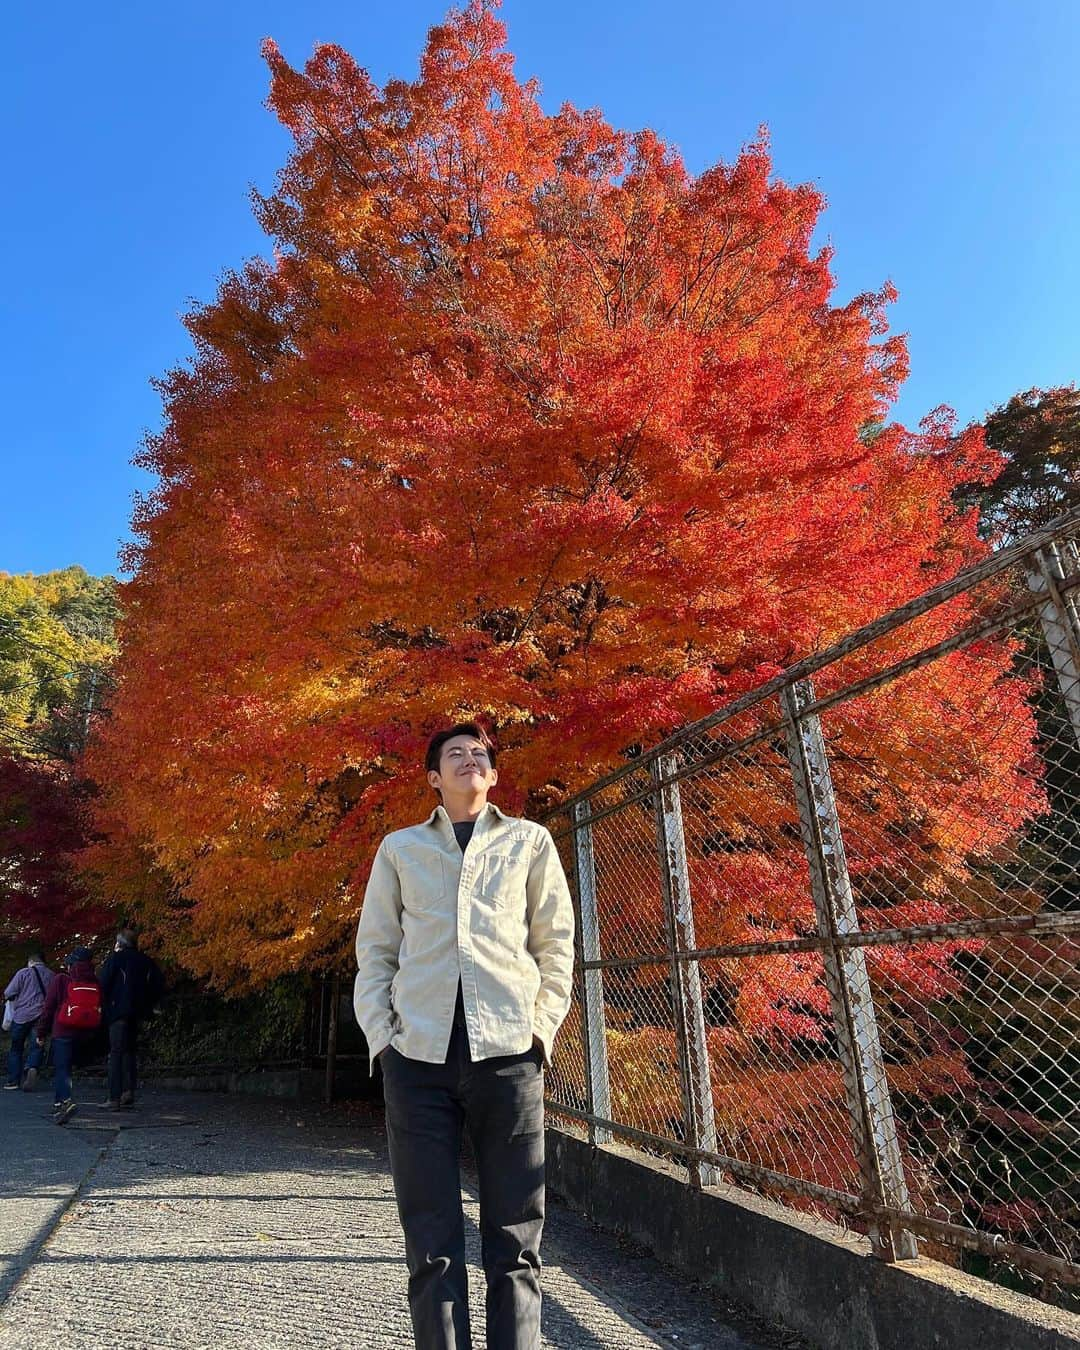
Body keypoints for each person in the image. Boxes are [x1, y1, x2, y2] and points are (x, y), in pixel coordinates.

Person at [354, 722, 575, 1350]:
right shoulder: (399, 849)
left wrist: (540, 1031)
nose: (470, 759)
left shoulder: (529, 843)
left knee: (516, 1239)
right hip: (417, 1056)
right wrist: (383, 1040)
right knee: (431, 1241)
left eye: (481, 754)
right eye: (456, 753)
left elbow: (555, 944)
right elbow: (376, 952)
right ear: (433, 777)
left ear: (494, 775)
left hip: (508, 1054)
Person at [97, 928, 164, 1110]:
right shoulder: (146, 961)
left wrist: (105, 1005)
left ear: (119, 943)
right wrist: (148, 1004)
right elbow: (158, 984)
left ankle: (114, 1097)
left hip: (117, 1010)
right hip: (138, 1011)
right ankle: (129, 1091)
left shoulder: (115, 959)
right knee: (130, 1051)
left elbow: (103, 983)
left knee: (116, 1052)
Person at [36, 947, 100, 1125]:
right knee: (67, 1068)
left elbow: (48, 1008)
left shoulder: (61, 979)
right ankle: (58, 1104)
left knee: (62, 1069)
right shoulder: (94, 981)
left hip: (63, 1029)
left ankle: (65, 1101)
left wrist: (41, 1032)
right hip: (85, 1032)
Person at [4, 949, 55, 1090]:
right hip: (42, 1016)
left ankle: (13, 1081)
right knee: (37, 1046)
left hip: (22, 1016)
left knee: (16, 1048)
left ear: (31, 961)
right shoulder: (52, 975)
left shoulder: (23, 973)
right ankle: (32, 1067)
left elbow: (8, 992)